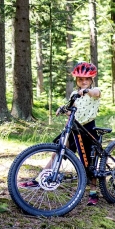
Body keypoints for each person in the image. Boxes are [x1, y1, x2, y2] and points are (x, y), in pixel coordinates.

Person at [19, 62, 102, 206]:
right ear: (77, 80)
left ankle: (93, 192)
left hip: (88, 128)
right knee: (58, 151)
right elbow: (72, 109)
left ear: (91, 80)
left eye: (87, 79)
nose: (83, 82)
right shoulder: (74, 94)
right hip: (73, 127)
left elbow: (96, 94)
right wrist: (64, 110)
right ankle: (40, 179)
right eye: (81, 79)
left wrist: (87, 91)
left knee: (89, 162)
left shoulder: (94, 90)